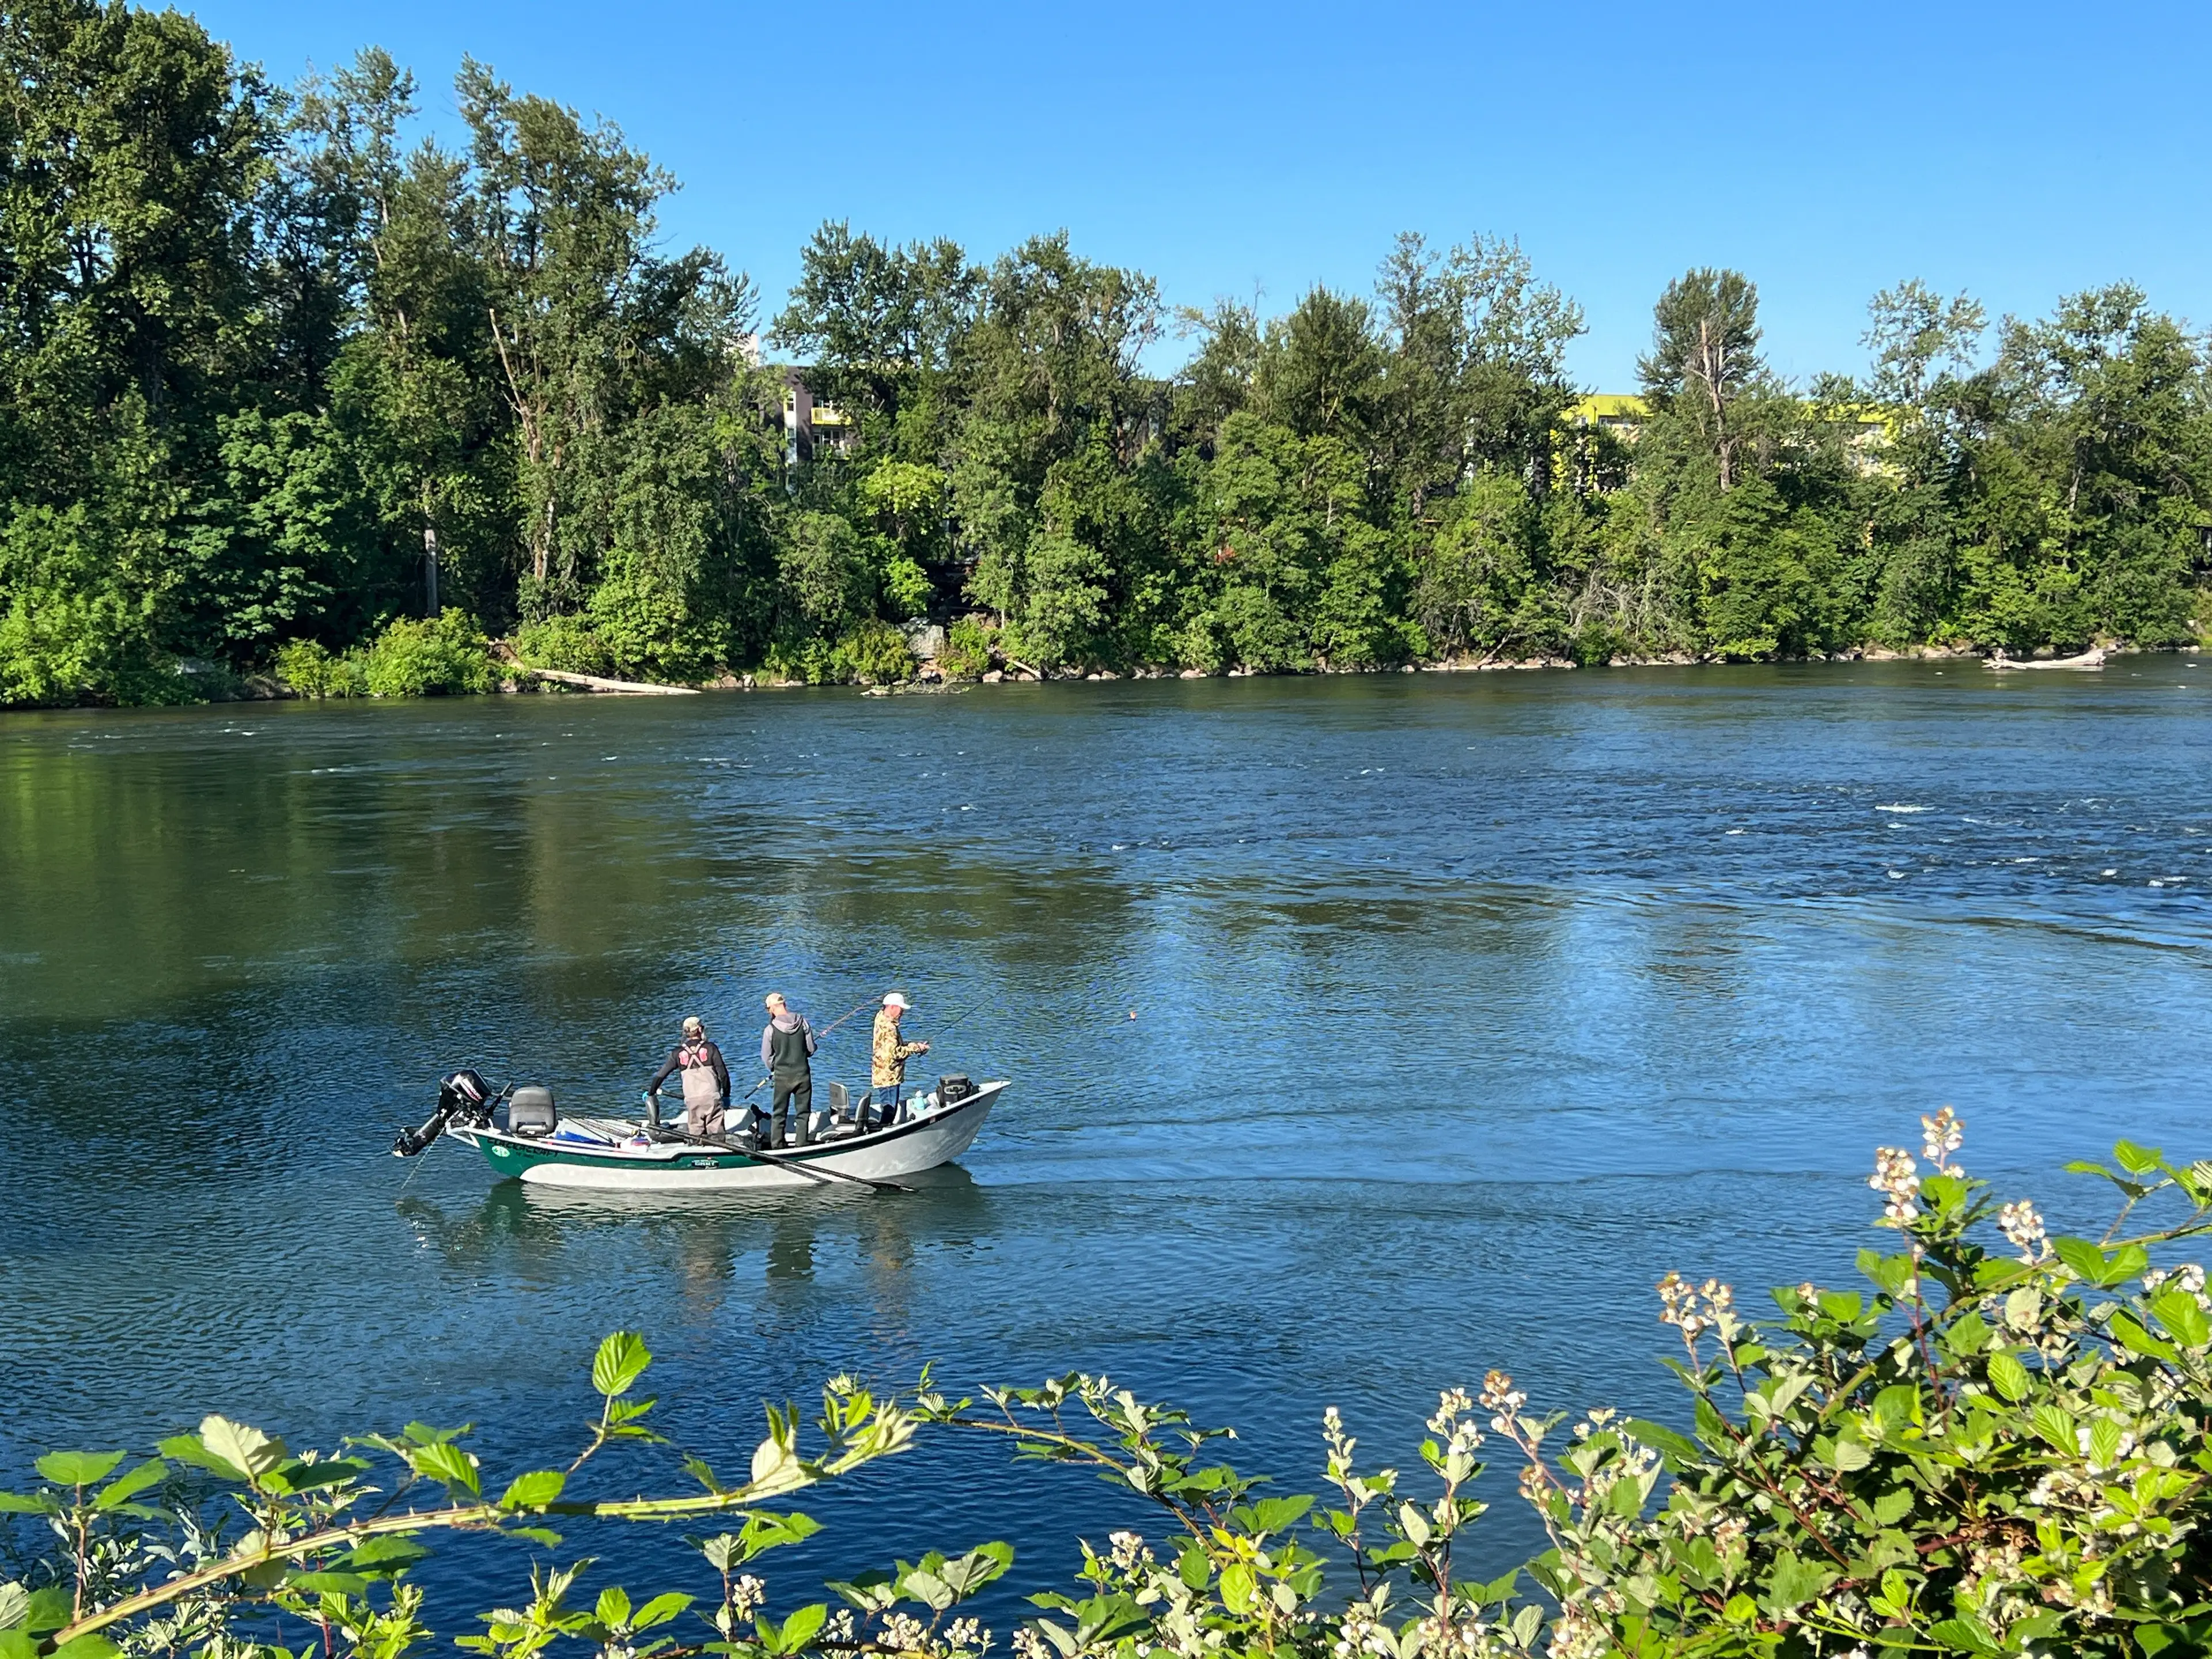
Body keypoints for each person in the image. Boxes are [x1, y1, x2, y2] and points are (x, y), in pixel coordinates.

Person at [647, 1016, 729, 1136]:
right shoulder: (711, 1048)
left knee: (695, 1135)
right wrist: (726, 1095)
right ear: (700, 1029)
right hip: (712, 1098)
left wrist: (651, 1092)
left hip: (692, 1100)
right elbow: (723, 1075)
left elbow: (661, 1075)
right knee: (717, 1136)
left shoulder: (677, 1053)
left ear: (685, 1033)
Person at [760, 992, 817, 1149]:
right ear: (784, 1005)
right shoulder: (803, 1022)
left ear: (772, 1009)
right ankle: (801, 1143)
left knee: (779, 1113)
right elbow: (811, 1049)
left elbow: (766, 1057)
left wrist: (775, 1066)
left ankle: (777, 1145)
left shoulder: (770, 1029)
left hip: (782, 1077)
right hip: (803, 1075)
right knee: (803, 1112)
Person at [869, 991, 930, 1128]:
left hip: (881, 1072)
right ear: (891, 1007)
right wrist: (915, 1048)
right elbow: (895, 1053)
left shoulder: (880, 1018)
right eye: (900, 1009)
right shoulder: (890, 1028)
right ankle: (883, 1130)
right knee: (890, 1108)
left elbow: (892, 1047)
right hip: (889, 1075)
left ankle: (883, 1127)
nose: (902, 1012)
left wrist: (914, 1046)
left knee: (886, 1104)